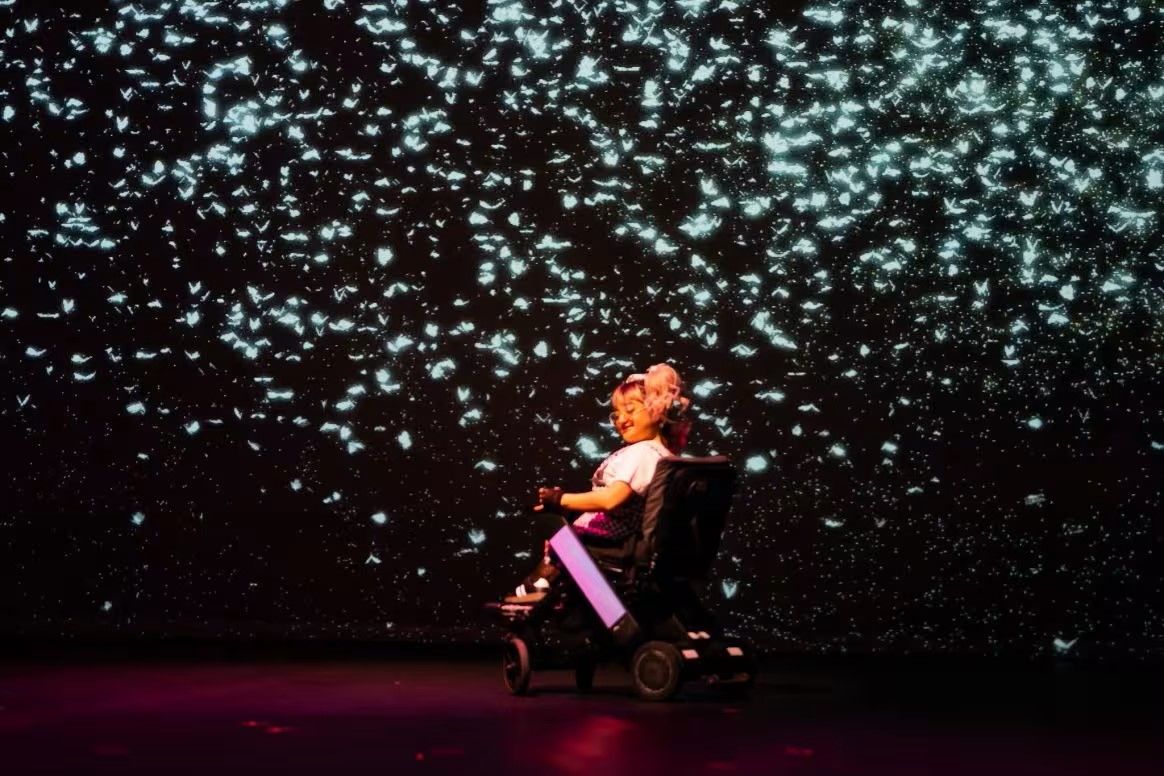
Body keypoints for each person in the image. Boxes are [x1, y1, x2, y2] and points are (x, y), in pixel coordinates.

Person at [505, 363, 694, 604]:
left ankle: (538, 590)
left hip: (606, 545)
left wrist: (561, 499)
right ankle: (546, 584)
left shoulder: (643, 453)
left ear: (656, 410)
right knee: (557, 529)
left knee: (551, 526)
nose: (621, 420)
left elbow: (610, 499)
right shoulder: (659, 454)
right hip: (607, 543)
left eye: (630, 410)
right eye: (616, 414)